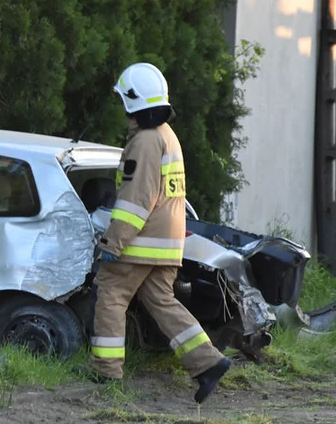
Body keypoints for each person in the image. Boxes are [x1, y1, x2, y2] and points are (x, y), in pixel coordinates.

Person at [87, 62, 231, 403]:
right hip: (167, 243)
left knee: (111, 293)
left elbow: (136, 201)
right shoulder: (168, 137)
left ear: (132, 103)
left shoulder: (145, 142)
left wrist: (113, 240)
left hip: (140, 242)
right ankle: (208, 362)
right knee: (161, 301)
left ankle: (105, 372)